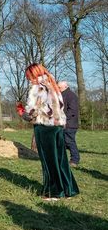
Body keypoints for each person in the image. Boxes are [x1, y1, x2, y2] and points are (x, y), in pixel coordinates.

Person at [18, 64, 79, 200]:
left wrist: (22, 113)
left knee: (49, 161)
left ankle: (54, 192)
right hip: (58, 125)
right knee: (61, 159)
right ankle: (69, 189)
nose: (28, 79)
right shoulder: (52, 84)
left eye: (29, 76)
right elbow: (61, 105)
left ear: (33, 74)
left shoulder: (37, 87)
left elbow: (31, 110)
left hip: (44, 126)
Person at [58, 81, 81, 167]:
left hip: (70, 124)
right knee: (62, 142)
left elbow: (72, 111)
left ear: (65, 86)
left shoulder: (71, 96)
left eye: (59, 87)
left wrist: (63, 118)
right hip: (63, 123)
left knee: (69, 141)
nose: (58, 89)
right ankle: (61, 159)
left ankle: (75, 160)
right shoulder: (61, 95)